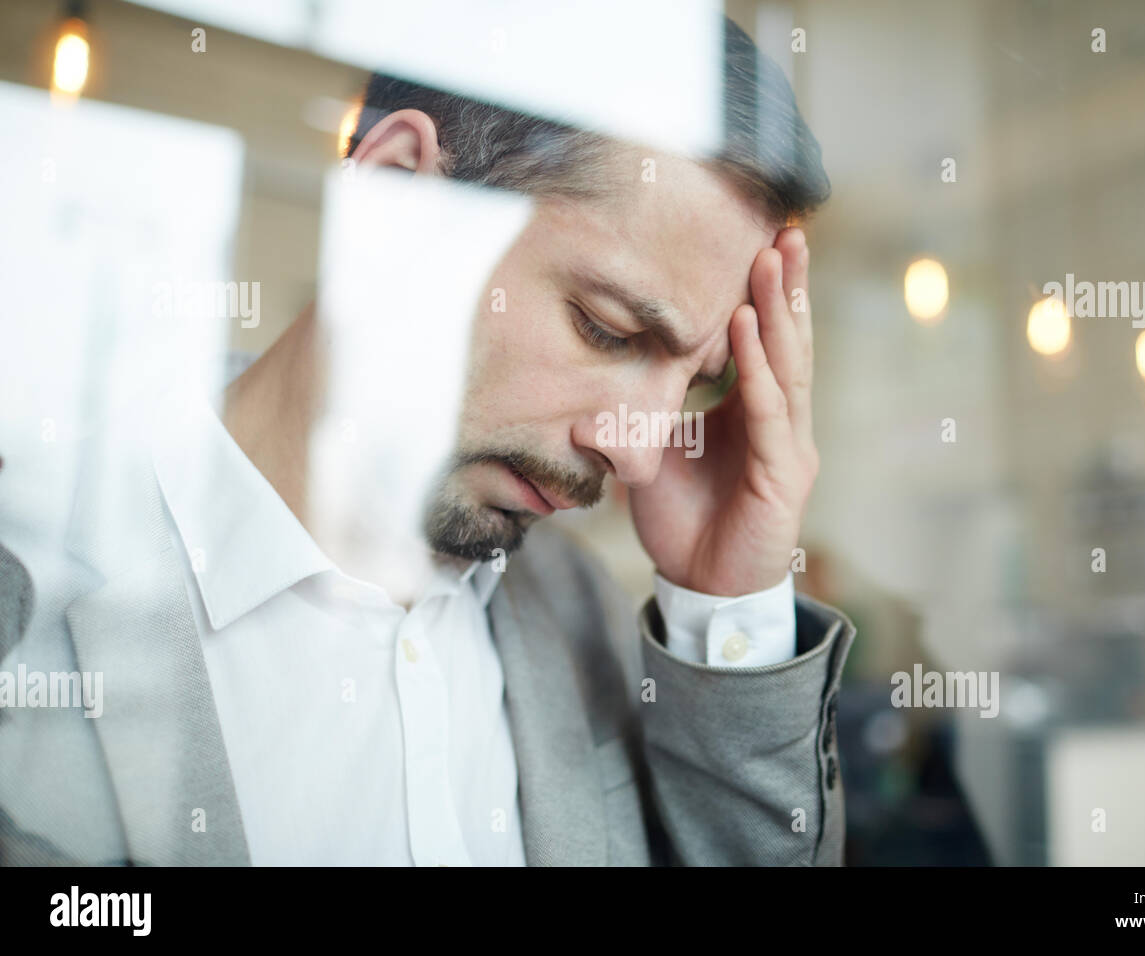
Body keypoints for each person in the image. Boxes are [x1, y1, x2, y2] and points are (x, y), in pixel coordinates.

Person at [0, 16, 855, 866]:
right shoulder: (29, 578)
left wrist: (728, 605)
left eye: (699, 380)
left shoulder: (584, 616)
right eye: (609, 330)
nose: (638, 455)